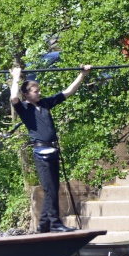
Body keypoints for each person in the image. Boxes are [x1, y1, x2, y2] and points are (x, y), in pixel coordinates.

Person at [10, 63, 93, 233]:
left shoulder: (46, 104)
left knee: (54, 189)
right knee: (50, 190)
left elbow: (68, 92)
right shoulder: (24, 109)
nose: (39, 92)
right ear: (26, 94)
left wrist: (82, 75)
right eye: (35, 91)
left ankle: (43, 225)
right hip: (41, 154)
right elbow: (13, 97)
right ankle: (54, 223)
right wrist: (16, 77)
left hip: (53, 151)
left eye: (39, 90)